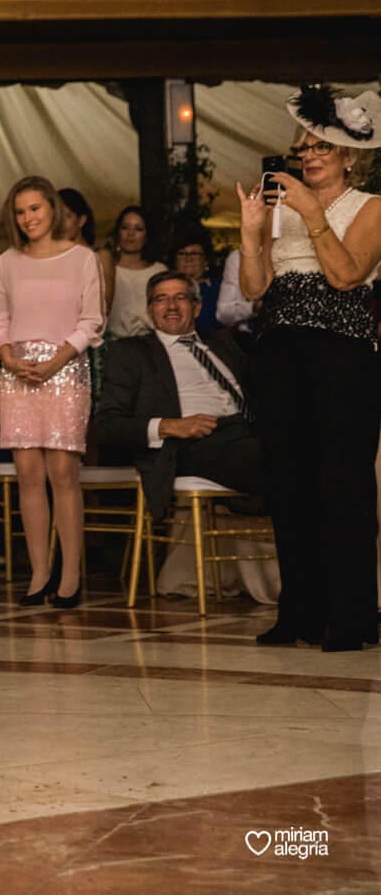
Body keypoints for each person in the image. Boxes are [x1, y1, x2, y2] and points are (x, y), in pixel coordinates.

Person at [234, 85, 381, 653]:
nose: (309, 154)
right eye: (303, 146)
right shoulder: (281, 210)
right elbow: (253, 289)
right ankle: (298, 612)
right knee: (288, 486)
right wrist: (253, 233)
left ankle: (349, 619)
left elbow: (346, 276)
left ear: (350, 155)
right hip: (279, 353)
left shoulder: (370, 207)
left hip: (342, 355)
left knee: (342, 487)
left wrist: (312, 214)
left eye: (322, 144)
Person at [0, 176, 105, 609]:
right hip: (18, 372)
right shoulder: (6, 261)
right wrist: (6, 355)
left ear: (51, 209)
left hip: (64, 368)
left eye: (34, 209)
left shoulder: (82, 258)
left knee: (62, 474)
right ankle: (39, 572)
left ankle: (70, 574)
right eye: (20, 212)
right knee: (28, 476)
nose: (27, 218)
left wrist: (57, 360)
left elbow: (92, 320)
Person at [92, 271, 264, 521]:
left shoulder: (223, 343)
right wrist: (170, 426)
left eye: (180, 297)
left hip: (247, 431)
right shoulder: (131, 353)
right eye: (161, 299)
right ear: (150, 311)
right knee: (274, 459)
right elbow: (107, 426)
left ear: (197, 307)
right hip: (193, 443)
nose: (171, 306)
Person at [101, 205, 166, 340]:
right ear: (118, 233)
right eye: (125, 227)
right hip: (114, 344)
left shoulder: (159, 271)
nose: (130, 234)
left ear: (147, 236)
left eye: (138, 229)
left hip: (153, 343)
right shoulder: (105, 268)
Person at [167, 232, 222, 334]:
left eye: (195, 254)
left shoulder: (219, 288)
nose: (188, 258)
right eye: (182, 254)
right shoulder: (165, 288)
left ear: (206, 261)